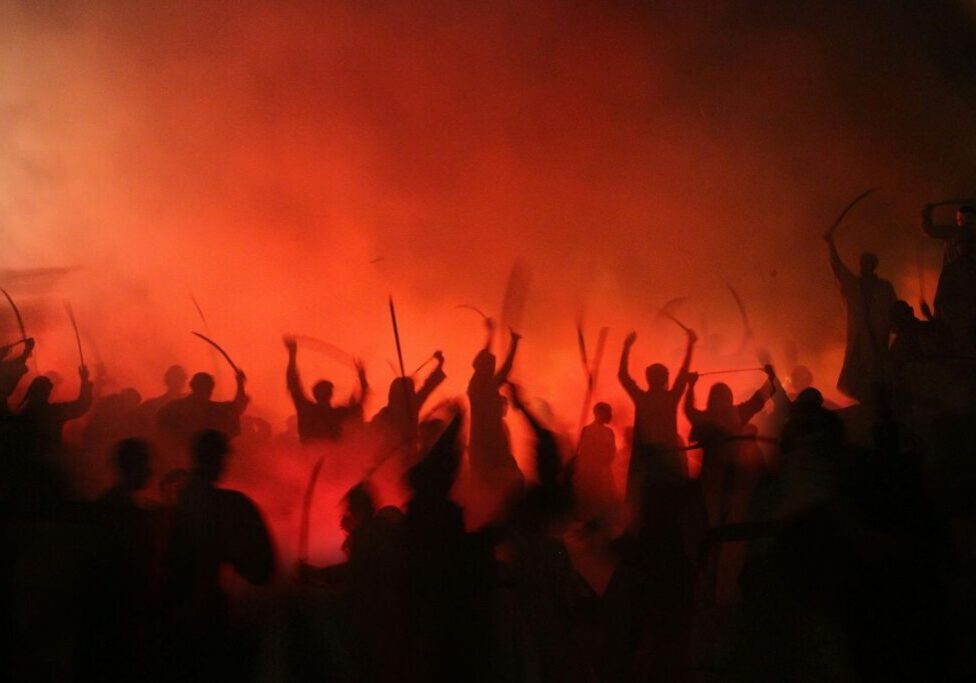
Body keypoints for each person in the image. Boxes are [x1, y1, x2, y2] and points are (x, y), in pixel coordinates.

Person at [162, 429, 274, 679]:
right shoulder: (227, 505)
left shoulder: (169, 503)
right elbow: (260, 570)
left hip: (165, 615)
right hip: (201, 614)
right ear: (219, 459)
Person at [618, 327, 697, 505]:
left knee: (644, 500)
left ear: (648, 378)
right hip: (667, 456)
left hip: (645, 457)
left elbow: (623, 376)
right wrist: (690, 344)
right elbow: (684, 373)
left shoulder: (642, 398)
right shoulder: (670, 398)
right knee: (668, 500)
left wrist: (626, 347)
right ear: (665, 378)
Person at [824, 230, 897, 402]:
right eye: (863, 263)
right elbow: (838, 268)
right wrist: (830, 245)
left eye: (868, 263)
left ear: (873, 266)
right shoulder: (854, 286)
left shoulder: (884, 287)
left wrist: (894, 327)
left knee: (879, 372)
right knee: (859, 373)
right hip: (860, 337)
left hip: (879, 337)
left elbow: (893, 310)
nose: (865, 266)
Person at [466, 327, 523, 511]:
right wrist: (503, 340)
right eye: (489, 364)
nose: (493, 367)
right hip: (485, 443)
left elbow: (502, 367)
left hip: (491, 441)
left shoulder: (484, 385)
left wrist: (510, 341)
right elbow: (500, 365)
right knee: (491, 484)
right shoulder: (477, 387)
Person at [283, 336, 367, 443]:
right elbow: (360, 403)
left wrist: (292, 354)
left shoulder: (306, 408)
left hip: (311, 457)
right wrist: (362, 379)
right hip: (327, 456)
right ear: (331, 394)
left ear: (315, 393)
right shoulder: (336, 414)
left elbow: (292, 382)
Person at [922, 203, 976, 347]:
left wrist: (926, 212)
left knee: (946, 313)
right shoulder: (956, 232)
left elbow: (928, 230)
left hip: (954, 279)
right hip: (966, 278)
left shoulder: (953, 232)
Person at [17, 364, 93, 457]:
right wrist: (84, 381)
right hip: (48, 461)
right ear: (44, 392)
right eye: (49, 389)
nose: (52, 390)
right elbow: (81, 405)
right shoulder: (52, 413)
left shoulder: (22, 413)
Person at [157, 370, 248, 447]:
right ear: (211, 388)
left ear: (192, 385)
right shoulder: (214, 410)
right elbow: (237, 408)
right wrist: (240, 384)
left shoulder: (172, 408)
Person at [575, 402, 618, 516]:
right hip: (591, 472)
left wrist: (607, 459)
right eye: (607, 412)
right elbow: (584, 452)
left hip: (605, 471)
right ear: (598, 413)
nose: (609, 415)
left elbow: (613, 450)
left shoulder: (609, 432)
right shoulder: (587, 430)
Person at [0, 337, 34, 415]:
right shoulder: (6, 369)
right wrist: (27, 349)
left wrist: (27, 350)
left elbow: (18, 364)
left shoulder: (6, 367)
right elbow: (18, 364)